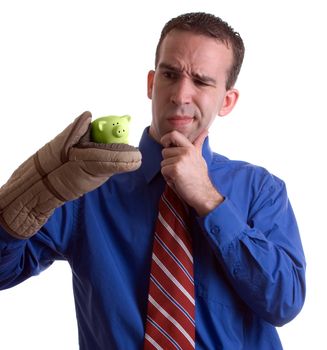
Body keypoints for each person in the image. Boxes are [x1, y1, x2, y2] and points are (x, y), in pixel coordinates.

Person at [0, 12, 306, 349]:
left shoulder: (261, 190)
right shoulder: (88, 184)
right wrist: (25, 199)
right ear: (151, 82)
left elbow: (284, 303)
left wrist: (209, 201)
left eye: (201, 81)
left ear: (227, 101)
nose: (180, 94)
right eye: (170, 75)